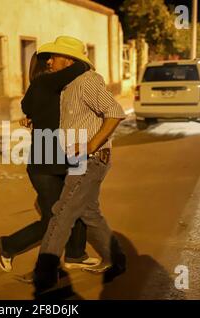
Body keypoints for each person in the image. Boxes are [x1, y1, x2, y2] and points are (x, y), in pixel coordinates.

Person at [31, 36, 127, 297]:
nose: (49, 61)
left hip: (91, 159)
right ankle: (116, 260)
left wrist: (91, 145)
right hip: (78, 159)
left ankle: (44, 277)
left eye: (55, 56)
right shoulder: (67, 84)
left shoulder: (87, 81)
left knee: (62, 212)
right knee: (89, 213)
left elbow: (115, 112)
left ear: (70, 60)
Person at [0, 51, 100, 277]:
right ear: (46, 66)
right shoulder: (46, 83)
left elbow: (28, 108)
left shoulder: (52, 89)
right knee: (55, 218)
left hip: (61, 160)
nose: (53, 62)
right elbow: (81, 68)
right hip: (46, 165)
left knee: (77, 206)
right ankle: (8, 245)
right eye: (51, 59)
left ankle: (75, 254)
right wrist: (79, 57)